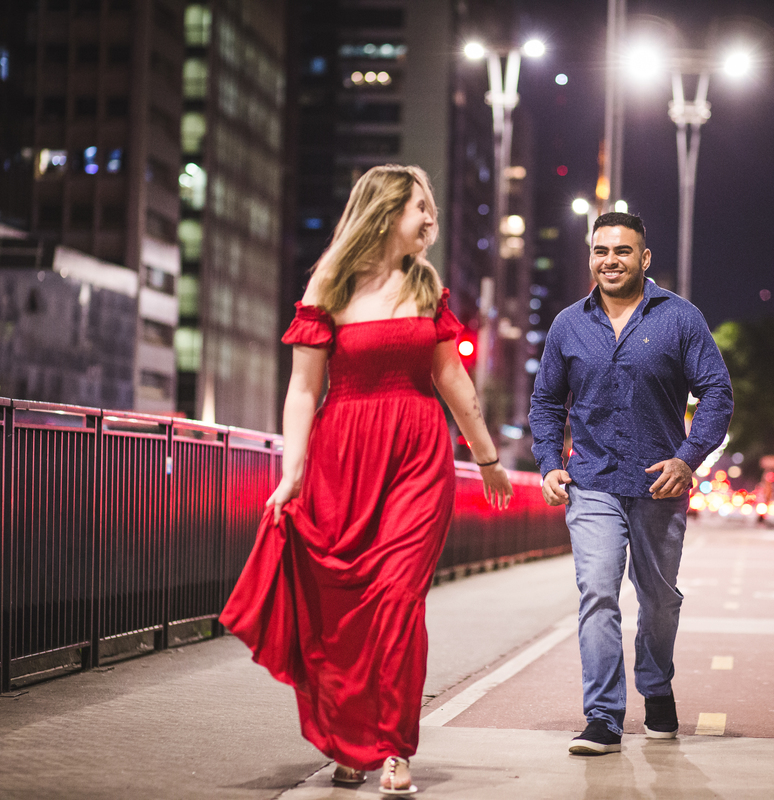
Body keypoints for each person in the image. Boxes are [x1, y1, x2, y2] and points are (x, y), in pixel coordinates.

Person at [221, 164, 513, 795]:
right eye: (421, 210)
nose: (431, 222)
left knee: (398, 600)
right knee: (344, 610)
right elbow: (303, 390)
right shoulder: (328, 286)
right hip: (341, 462)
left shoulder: (427, 286)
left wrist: (487, 459)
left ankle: (394, 749)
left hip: (416, 459)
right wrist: (290, 473)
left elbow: (453, 383)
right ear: (385, 214)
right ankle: (348, 743)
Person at [528, 211, 732, 755]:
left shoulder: (681, 320)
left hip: (659, 486)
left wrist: (689, 458)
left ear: (644, 258)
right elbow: (547, 401)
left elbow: (717, 392)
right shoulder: (568, 325)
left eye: (622, 251)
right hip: (592, 483)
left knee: (659, 600)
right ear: (590, 258)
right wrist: (550, 462)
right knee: (598, 593)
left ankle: (657, 690)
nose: (609, 261)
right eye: (600, 251)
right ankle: (603, 716)